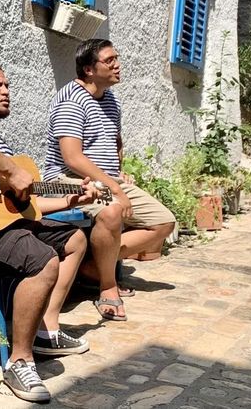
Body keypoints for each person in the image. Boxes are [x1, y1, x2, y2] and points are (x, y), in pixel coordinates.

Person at [0, 59, 98, 403]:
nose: (6, 91)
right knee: (42, 259)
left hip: (6, 226)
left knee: (74, 239)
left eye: (7, 85)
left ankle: (44, 331)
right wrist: (11, 171)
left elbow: (26, 205)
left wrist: (71, 198)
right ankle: (19, 361)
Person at [44, 39, 176, 322]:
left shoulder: (111, 99)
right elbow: (72, 158)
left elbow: (116, 141)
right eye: (109, 60)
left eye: (117, 58)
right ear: (89, 69)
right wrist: (115, 188)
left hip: (105, 180)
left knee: (164, 222)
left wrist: (118, 172)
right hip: (67, 180)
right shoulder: (71, 100)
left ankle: (91, 266)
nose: (117, 65)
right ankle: (107, 287)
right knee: (112, 210)